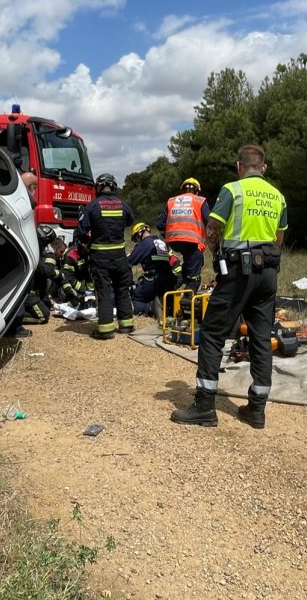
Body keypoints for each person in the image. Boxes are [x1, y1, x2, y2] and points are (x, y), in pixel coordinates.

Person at [171, 145, 287, 429]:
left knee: (212, 333)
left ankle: (204, 406)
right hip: (268, 273)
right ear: (264, 168)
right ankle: (256, 410)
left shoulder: (232, 190)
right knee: (261, 337)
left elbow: (212, 228)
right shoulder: (278, 196)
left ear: (238, 166)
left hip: (238, 271)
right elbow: (279, 238)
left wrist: (217, 255)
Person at [75, 173, 135, 339]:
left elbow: (80, 231)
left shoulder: (92, 206)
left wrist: (87, 241)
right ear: (114, 187)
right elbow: (130, 221)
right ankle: (126, 325)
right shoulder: (123, 205)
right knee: (122, 289)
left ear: (98, 187)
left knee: (103, 291)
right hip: (120, 256)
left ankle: (106, 329)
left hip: (100, 256)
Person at [157, 177, 210, 293]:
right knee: (194, 277)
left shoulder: (171, 201)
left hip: (174, 242)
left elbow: (160, 224)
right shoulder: (200, 201)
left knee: (194, 261)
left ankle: (178, 280)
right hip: (192, 242)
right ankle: (188, 296)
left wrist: (169, 235)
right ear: (197, 191)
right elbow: (210, 223)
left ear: (183, 189)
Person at [127, 223, 178, 316]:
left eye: (136, 239)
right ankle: (160, 304)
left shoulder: (145, 243)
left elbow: (129, 261)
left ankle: (149, 308)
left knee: (136, 296)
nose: (137, 242)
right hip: (169, 280)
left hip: (154, 280)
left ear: (139, 234)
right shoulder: (160, 241)